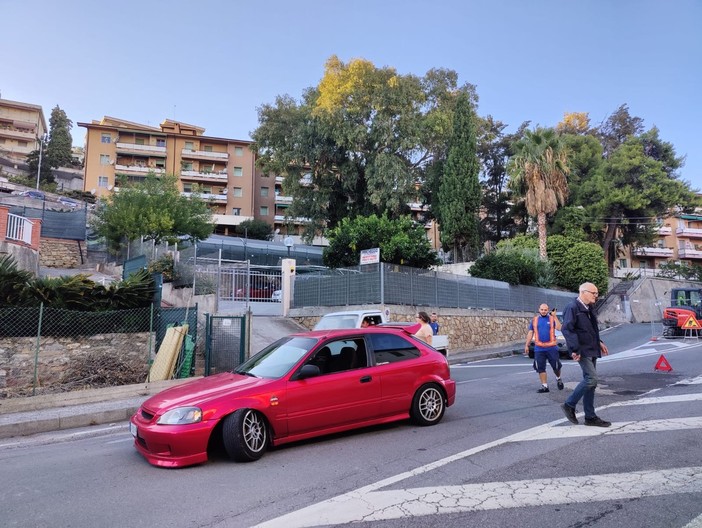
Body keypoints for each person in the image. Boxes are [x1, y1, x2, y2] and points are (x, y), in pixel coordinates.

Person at [560, 282, 611, 427]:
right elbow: (567, 330)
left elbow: (591, 329)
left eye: (596, 293)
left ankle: (590, 417)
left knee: (591, 384)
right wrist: (575, 349)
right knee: (591, 379)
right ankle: (569, 404)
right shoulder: (573, 307)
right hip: (582, 350)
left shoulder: (588, 308)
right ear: (583, 292)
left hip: (592, 348)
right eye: (593, 293)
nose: (596, 296)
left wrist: (599, 342)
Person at [524, 303, 564, 393]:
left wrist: (555, 316)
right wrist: (527, 344)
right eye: (542, 310)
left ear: (548, 310)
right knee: (540, 367)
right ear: (539, 310)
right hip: (539, 348)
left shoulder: (551, 318)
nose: (543, 311)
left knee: (556, 367)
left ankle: (558, 378)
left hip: (552, 348)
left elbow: (559, 328)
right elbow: (530, 332)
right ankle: (544, 386)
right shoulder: (535, 320)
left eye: (545, 310)